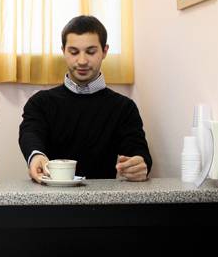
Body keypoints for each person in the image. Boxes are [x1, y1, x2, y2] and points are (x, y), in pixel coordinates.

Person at [19, 15, 152, 182]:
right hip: (51, 194)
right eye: (74, 52)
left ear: (104, 51)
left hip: (105, 196)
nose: (82, 61)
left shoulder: (124, 107)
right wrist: (36, 156)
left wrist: (139, 165)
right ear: (63, 51)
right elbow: (30, 133)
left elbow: (138, 150)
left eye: (91, 52)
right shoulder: (40, 103)